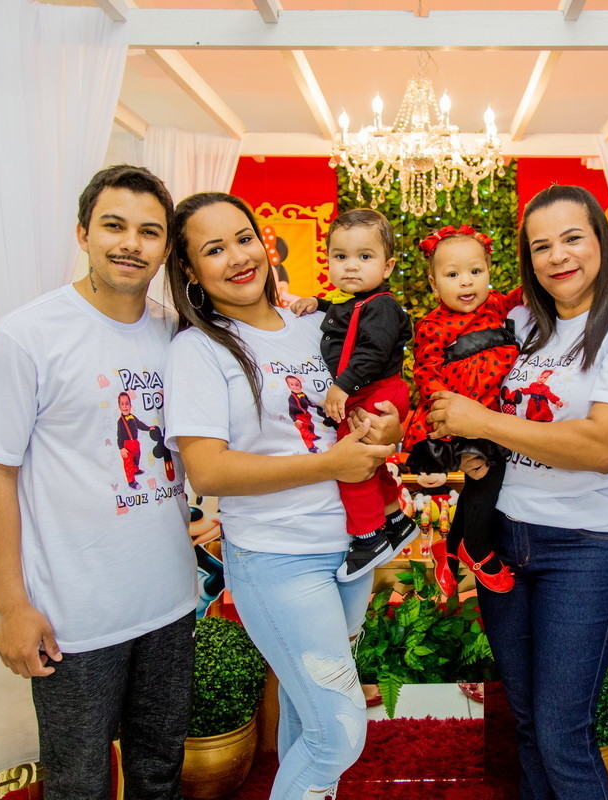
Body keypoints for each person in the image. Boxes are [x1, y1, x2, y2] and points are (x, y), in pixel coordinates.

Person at [0, 165, 197, 800]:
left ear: (165, 248)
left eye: (149, 231)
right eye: (114, 226)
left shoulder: (178, 334)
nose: (131, 244)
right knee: (78, 785)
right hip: (75, 616)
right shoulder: (27, 336)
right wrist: (13, 605)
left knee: (160, 773)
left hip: (171, 600)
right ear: (83, 233)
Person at [428, 185, 608, 800]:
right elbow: (447, 351)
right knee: (528, 722)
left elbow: (602, 446)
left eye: (572, 238)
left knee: (564, 733)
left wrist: (481, 423)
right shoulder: (518, 323)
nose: (558, 256)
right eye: (541, 247)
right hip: (505, 538)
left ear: (601, 242)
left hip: (585, 546)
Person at [162, 192, 404, 800]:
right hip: (278, 558)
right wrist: (329, 464)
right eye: (214, 249)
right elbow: (207, 471)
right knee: (340, 732)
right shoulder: (199, 348)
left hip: (349, 553)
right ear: (190, 269)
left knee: (307, 719)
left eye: (245, 238)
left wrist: (388, 429)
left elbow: (373, 401)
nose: (238, 257)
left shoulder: (316, 324)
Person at [289, 208, 416, 582]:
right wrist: (319, 304)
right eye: (340, 256)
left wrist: (342, 386)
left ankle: (368, 538)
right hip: (372, 389)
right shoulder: (357, 301)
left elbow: (372, 351)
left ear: (387, 267)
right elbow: (345, 316)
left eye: (365, 256)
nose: (351, 266)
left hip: (376, 390)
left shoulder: (383, 305)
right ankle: (395, 520)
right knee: (371, 463)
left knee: (351, 467)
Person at [401, 223, 521, 594]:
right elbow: (426, 373)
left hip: (493, 412)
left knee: (482, 477)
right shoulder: (432, 325)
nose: (466, 282)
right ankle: (478, 548)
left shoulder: (496, 304)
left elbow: (524, 294)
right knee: (488, 474)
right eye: (452, 275)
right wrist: (452, 421)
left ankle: (450, 548)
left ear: (489, 272)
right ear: (434, 285)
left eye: (475, 271)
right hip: (460, 416)